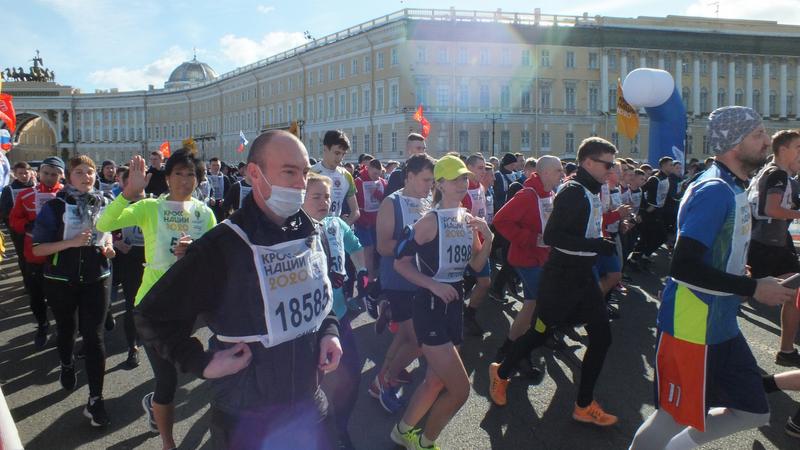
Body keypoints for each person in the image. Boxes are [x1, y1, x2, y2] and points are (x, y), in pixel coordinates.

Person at [135, 130, 343, 449]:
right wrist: (200, 362)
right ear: (254, 174)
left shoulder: (311, 233)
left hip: (308, 401)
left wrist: (329, 331)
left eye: (304, 172)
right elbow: (151, 316)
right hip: (248, 412)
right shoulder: (223, 245)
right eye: (289, 172)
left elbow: (319, 297)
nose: (301, 183)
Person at [629, 106, 797, 449]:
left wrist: (740, 274)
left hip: (719, 322)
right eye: (758, 135)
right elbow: (683, 265)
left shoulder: (733, 184)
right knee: (671, 416)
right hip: (690, 324)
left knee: (753, 410)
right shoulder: (715, 190)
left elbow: (714, 251)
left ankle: (678, 447)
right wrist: (752, 287)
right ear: (734, 143)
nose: (767, 141)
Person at [489, 137, 620, 426]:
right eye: (607, 164)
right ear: (588, 163)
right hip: (560, 277)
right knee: (539, 332)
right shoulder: (573, 192)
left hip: (584, 275)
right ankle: (501, 372)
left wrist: (598, 243)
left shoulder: (591, 191)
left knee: (602, 336)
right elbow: (553, 237)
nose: (611, 170)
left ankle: (583, 404)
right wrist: (597, 244)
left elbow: (581, 234)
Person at [97, 149, 216, 450]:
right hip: (153, 308)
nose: (186, 180)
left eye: (191, 174)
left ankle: (153, 405)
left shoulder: (205, 213)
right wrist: (128, 193)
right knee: (168, 381)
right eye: (179, 173)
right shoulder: (151, 207)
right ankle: (167, 442)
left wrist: (198, 250)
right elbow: (103, 224)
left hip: (189, 308)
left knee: (181, 369)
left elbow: (218, 257)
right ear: (167, 177)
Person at [391, 155, 493, 450]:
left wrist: (489, 239)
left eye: (465, 178)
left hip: (454, 304)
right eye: (457, 179)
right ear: (440, 184)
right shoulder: (429, 221)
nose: (463, 183)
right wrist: (432, 284)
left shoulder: (465, 216)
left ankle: (402, 431)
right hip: (430, 306)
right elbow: (401, 262)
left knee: (435, 381)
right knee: (460, 390)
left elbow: (476, 264)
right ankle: (425, 442)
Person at [32, 155, 115, 427]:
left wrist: (109, 246)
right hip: (60, 280)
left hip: (96, 278)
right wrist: (69, 243)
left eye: (90, 172)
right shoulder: (55, 207)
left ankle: (96, 399)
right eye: (79, 172)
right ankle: (67, 364)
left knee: (95, 337)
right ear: (68, 176)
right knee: (67, 330)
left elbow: (109, 233)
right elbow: (37, 249)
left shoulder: (104, 203)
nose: (86, 176)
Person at [304, 172, 368, 450]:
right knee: (313, 385)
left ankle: (339, 428)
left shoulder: (336, 223)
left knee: (351, 376)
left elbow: (355, 246)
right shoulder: (292, 230)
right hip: (308, 324)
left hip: (339, 316)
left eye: (327, 196)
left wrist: (363, 271)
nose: (324, 202)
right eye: (316, 196)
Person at [370, 154, 435, 414]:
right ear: (408, 176)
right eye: (425, 180)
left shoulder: (428, 201)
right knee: (419, 341)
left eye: (432, 181)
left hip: (421, 279)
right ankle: (383, 381)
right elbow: (383, 246)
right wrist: (413, 243)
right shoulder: (391, 202)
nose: (429, 186)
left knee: (406, 336)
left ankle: (382, 379)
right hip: (397, 280)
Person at [491, 155, 562, 376]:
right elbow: (500, 220)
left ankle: (509, 349)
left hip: (541, 258)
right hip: (526, 259)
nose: (562, 173)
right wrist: (531, 238)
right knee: (539, 307)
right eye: (558, 170)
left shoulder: (549, 193)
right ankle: (518, 356)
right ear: (546, 172)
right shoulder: (527, 194)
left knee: (532, 306)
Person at [746, 129, 800, 366]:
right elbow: (772, 210)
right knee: (739, 293)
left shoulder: (773, 172)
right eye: (798, 148)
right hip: (765, 243)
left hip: (773, 242)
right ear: (784, 149)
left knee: (794, 290)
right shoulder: (778, 175)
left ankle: (787, 350)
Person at [9, 157, 64, 348]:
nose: (49, 177)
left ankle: (61, 327)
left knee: (60, 297)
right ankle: (42, 324)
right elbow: (14, 219)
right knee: (36, 296)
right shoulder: (25, 195)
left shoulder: (66, 195)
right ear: (39, 173)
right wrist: (27, 225)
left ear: (61, 175)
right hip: (34, 256)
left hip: (60, 257)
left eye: (54, 174)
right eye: (46, 173)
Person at [109, 166, 145, 369]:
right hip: (129, 257)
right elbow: (104, 227)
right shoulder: (119, 204)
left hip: (151, 259)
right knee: (131, 303)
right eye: (131, 180)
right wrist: (116, 241)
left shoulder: (156, 202)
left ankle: (150, 338)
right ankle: (133, 347)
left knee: (151, 302)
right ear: (124, 183)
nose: (137, 183)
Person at [461, 154, 491, 336]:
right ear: (469, 168)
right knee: (482, 281)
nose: (484, 171)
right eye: (480, 168)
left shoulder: (480, 186)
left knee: (484, 282)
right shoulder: (462, 189)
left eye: (485, 168)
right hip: (468, 243)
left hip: (480, 239)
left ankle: (469, 313)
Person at [311, 130, 360, 226]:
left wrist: (345, 225)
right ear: (325, 149)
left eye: (343, 154)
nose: (340, 158)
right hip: (313, 231)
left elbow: (356, 211)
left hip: (335, 233)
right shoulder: (311, 173)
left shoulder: (347, 175)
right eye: (337, 153)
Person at [0, 162, 35, 281]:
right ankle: (28, 283)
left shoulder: (37, 187)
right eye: (20, 173)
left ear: (31, 172)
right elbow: (5, 212)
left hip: (37, 229)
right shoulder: (8, 190)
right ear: (15, 174)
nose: (24, 176)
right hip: (19, 231)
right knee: (24, 257)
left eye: (26, 173)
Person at [354, 158, 387, 280]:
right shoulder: (358, 182)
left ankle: (374, 275)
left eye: (379, 174)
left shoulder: (383, 183)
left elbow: (386, 200)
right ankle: (368, 278)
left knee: (377, 250)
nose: (376, 177)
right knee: (368, 250)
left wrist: (378, 194)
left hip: (377, 223)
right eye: (374, 174)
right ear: (369, 169)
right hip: (363, 223)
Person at [207, 157, 230, 221]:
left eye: (217, 165)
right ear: (209, 166)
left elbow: (229, 193)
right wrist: (209, 198)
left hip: (220, 206)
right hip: (209, 205)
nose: (215, 167)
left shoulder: (225, 178)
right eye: (213, 165)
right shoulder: (205, 178)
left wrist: (224, 199)